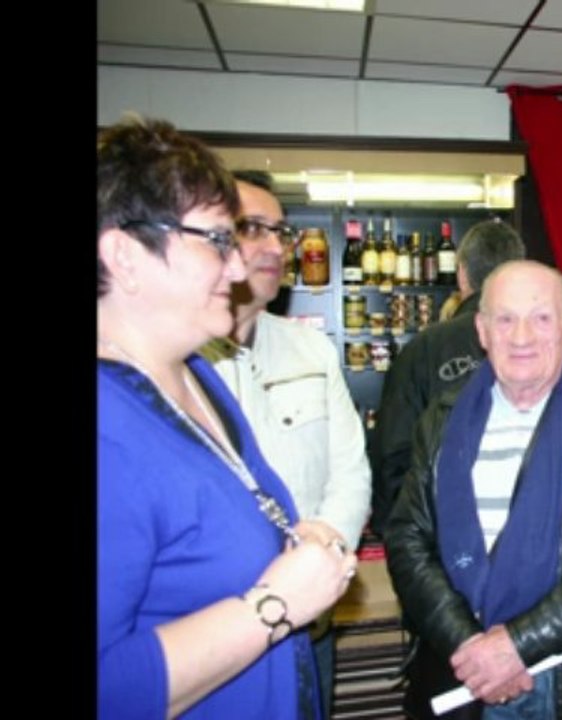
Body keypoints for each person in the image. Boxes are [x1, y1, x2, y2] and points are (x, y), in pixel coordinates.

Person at [98, 116, 357, 719]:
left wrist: (300, 543)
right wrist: (273, 606)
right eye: (217, 240)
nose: (238, 268)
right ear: (125, 255)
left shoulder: (198, 379)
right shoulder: (106, 428)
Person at [384, 260, 562, 719]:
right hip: (461, 668)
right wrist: (473, 647)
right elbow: (408, 539)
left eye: (541, 317)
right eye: (505, 318)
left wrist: (518, 645)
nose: (521, 337)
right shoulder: (440, 420)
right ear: (481, 330)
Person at [201, 170, 372, 718]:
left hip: (308, 630)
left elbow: (351, 472)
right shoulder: (170, 358)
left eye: (282, 232)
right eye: (253, 229)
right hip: (210, 639)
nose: (275, 247)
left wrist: (322, 553)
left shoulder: (309, 348)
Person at [371, 220, 526, 535]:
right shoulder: (549, 345)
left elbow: (394, 458)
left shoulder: (422, 350)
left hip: (445, 538)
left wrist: (406, 544)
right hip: (534, 537)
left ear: (462, 274)